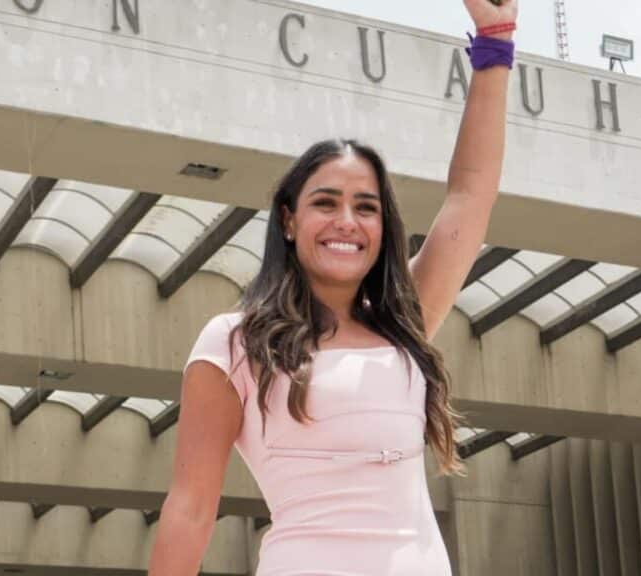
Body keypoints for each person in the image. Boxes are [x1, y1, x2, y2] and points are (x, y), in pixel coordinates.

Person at [147, 1, 518, 574]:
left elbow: (471, 194)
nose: (347, 221)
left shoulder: (404, 323)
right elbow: (192, 509)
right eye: (325, 203)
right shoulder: (234, 343)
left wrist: (496, 42)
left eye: (366, 208)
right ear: (288, 220)